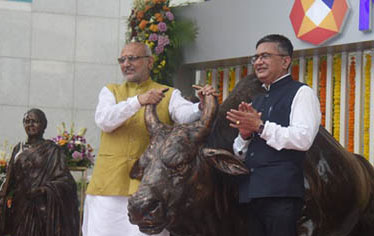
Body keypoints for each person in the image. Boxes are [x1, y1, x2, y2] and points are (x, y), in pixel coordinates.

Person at [83, 42, 215, 236]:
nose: (126, 63)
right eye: (122, 59)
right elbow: (104, 120)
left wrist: (200, 106)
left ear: (150, 62)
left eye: (133, 58)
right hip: (108, 187)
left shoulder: (168, 94)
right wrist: (138, 102)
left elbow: (185, 114)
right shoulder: (110, 91)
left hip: (150, 190)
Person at [226, 34, 321, 236]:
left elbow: (303, 138)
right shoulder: (257, 100)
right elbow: (241, 154)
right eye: (256, 57)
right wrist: (244, 136)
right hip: (250, 194)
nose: (258, 62)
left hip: (281, 195)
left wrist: (260, 127)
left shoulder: (302, 93)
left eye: (265, 56)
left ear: (285, 61)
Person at [0, 108, 80, 236]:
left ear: (43, 125)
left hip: (42, 209)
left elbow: (65, 181)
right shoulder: (18, 149)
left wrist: (43, 190)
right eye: (27, 121)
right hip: (20, 206)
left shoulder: (53, 150)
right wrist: (3, 196)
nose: (30, 125)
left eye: (34, 121)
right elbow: (10, 179)